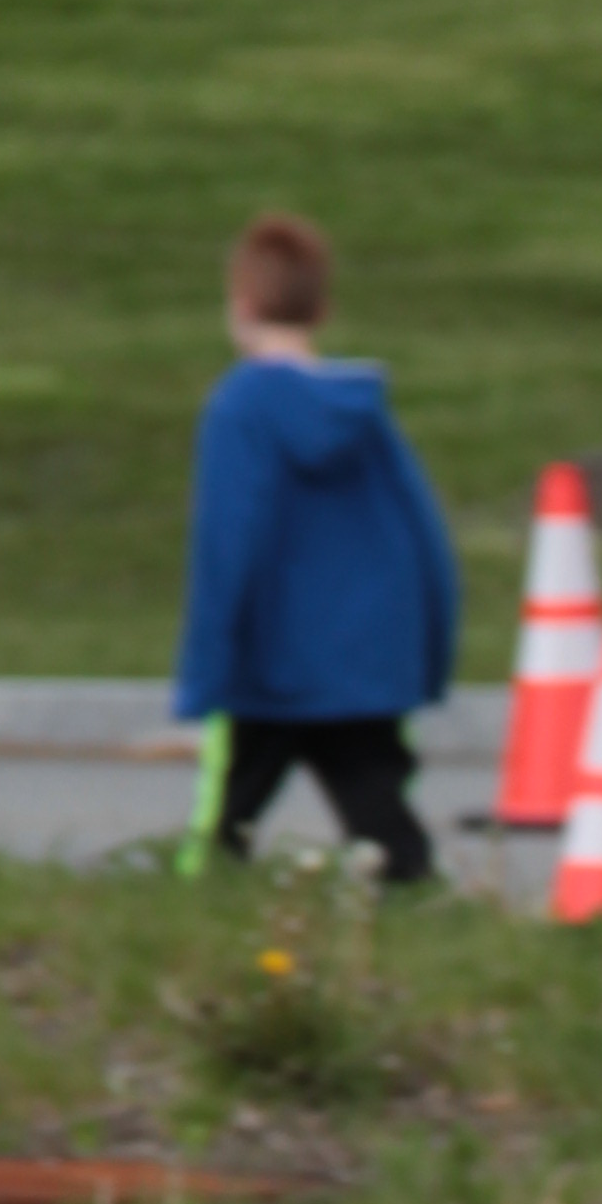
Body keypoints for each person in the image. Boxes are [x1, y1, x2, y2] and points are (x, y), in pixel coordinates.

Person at [173, 211, 460, 885]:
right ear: (322, 310)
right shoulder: (364, 413)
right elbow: (423, 536)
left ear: (240, 306)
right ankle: (417, 909)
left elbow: (228, 541)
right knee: (382, 819)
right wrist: (426, 651)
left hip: (269, 667)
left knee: (225, 823)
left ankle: (197, 910)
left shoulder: (239, 408)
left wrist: (207, 666)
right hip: (362, 660)